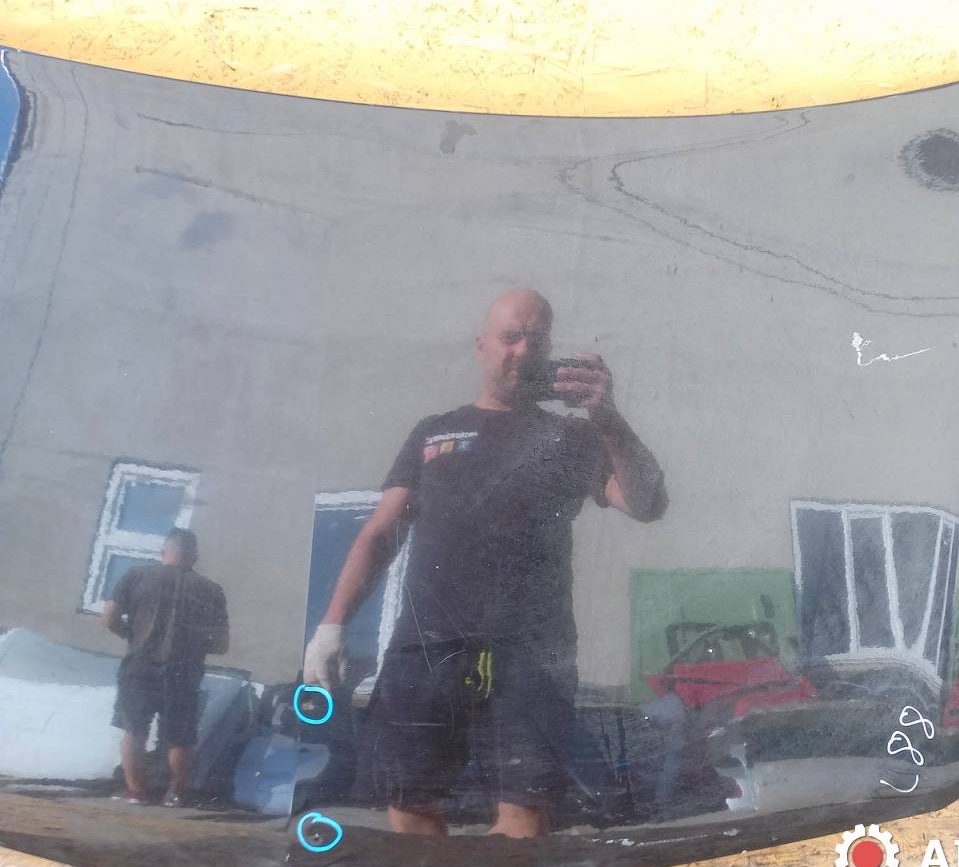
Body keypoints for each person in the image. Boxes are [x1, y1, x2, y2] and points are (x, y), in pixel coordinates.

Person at [303, 288, 667, 838]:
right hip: (427, 645)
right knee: (411, 806)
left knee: (524, 817)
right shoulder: (434, 431)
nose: (522, 351)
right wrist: (331, 627)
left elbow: (646, 504)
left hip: (531, 652)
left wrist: (607, 417)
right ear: (481, 346)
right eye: (510, 337)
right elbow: (379, 535)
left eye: (536, 340)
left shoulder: (572, 437)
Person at [102, 527, 230, 806]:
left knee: (134, 730)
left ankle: (136, 793)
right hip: (185, 671)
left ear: (163, 552)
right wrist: (194, 646)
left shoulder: (136, 576)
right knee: (179, 736)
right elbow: (222, 644)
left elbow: (109, 617)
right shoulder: (211, 590)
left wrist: (132, 635)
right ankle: (176, 795)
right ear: (194, 557)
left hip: (140, 666)